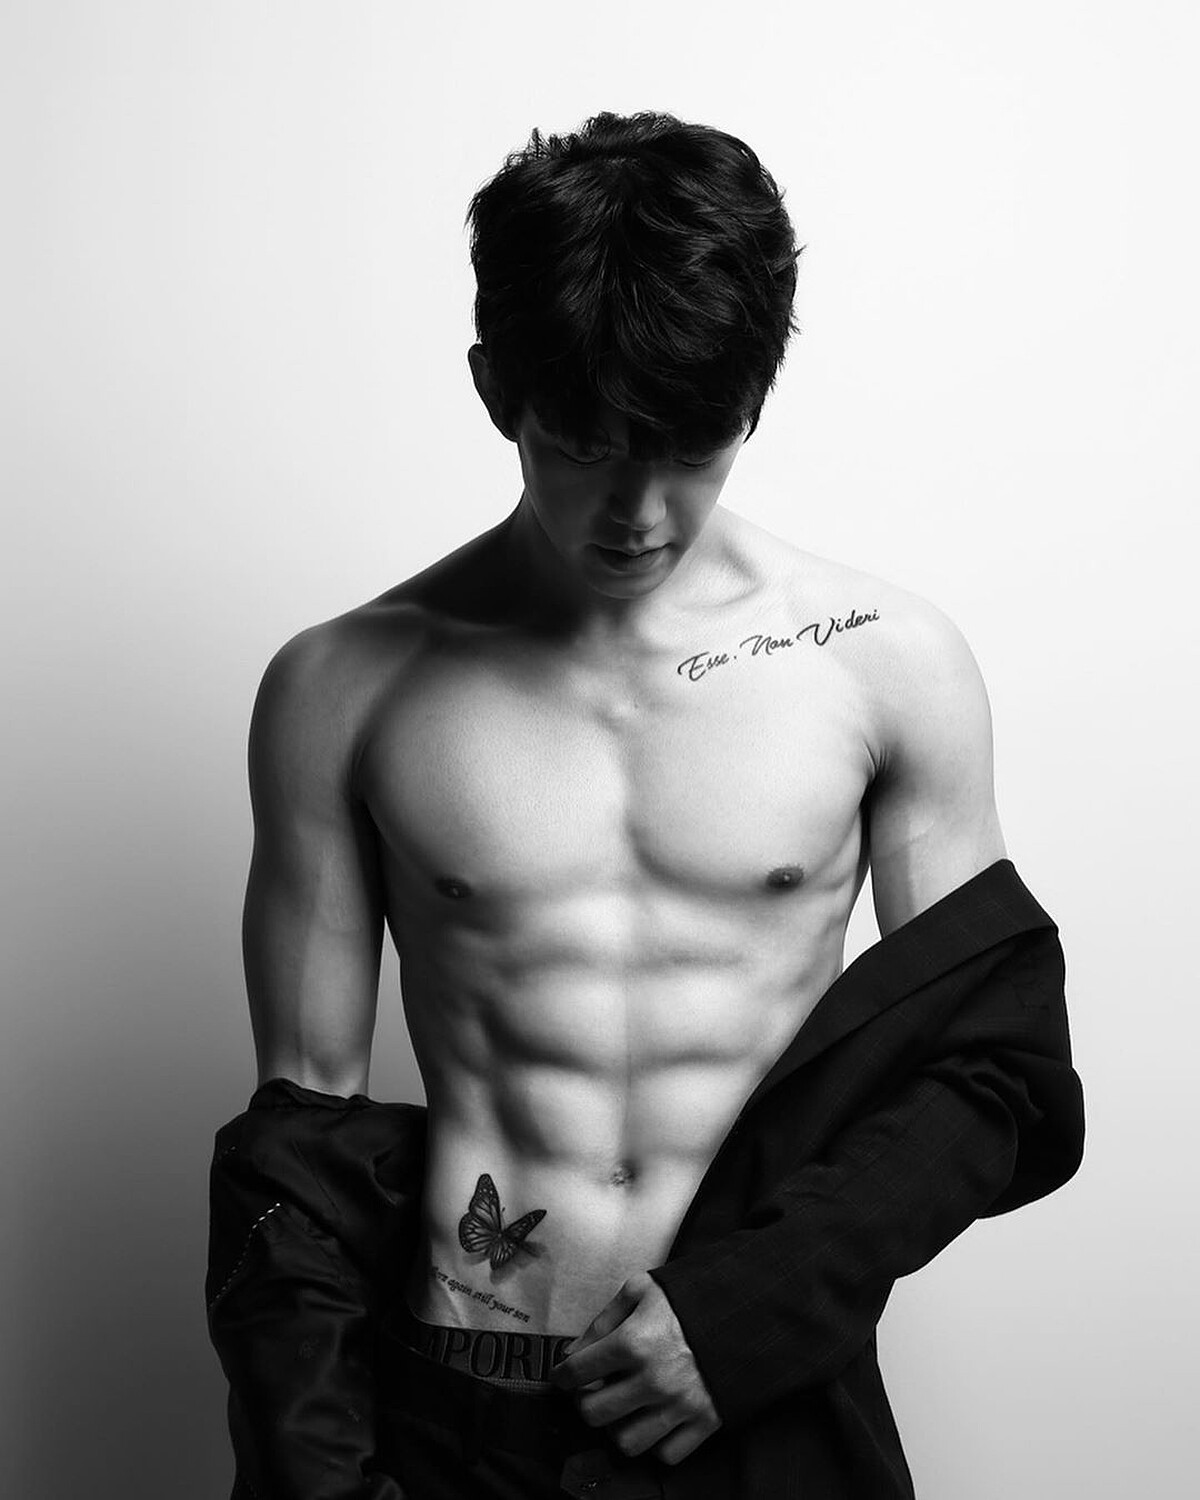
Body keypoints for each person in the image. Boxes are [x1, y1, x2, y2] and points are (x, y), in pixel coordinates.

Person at [228, 110, 1050, 1498]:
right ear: (495, 391)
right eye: (585, 448)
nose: (642, 513)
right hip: (462, 1394)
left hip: (762, 1382)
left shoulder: (886, 666)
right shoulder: (346, 688)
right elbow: (299, 1143)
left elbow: (989, 1072)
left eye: (695, 450)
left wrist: (749, 1315)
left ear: (756, 403)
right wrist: (314, 1475)